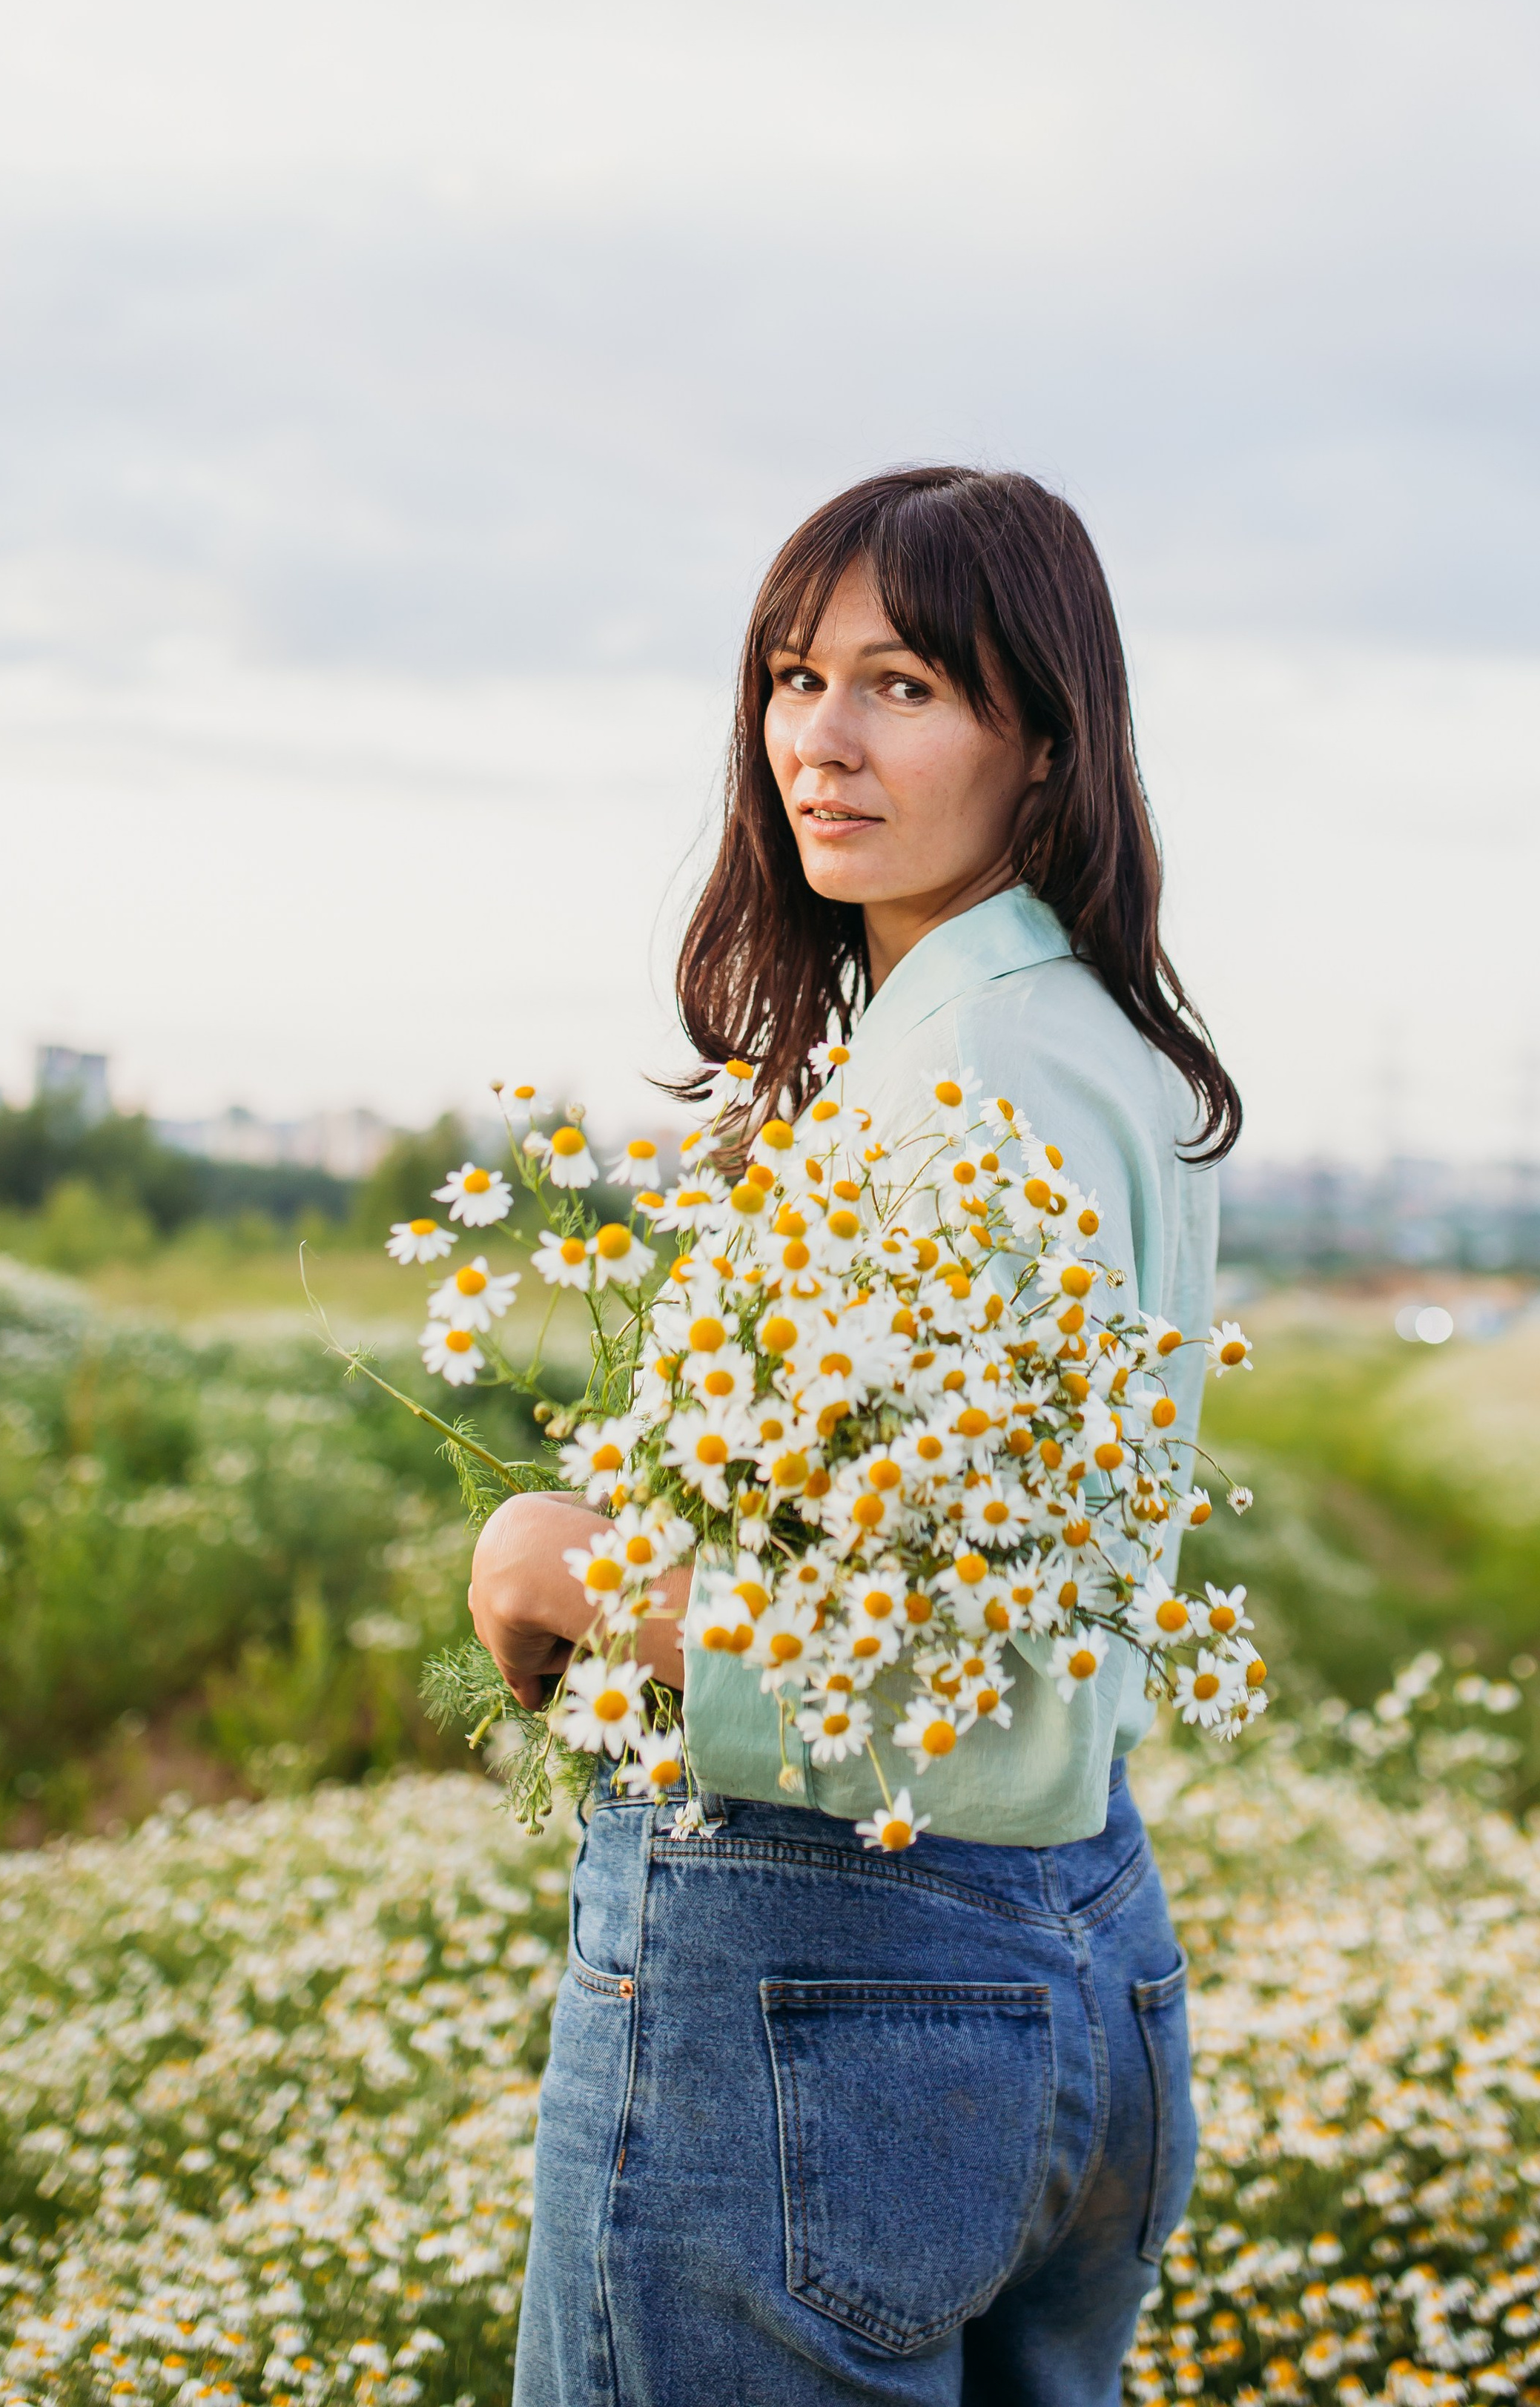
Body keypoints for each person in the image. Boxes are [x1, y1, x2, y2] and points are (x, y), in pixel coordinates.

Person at [470, 464, 1240, 2407]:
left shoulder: (974, 1070)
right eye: (793, 677)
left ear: (1043, 738)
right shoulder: (1076, 1050)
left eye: (903, 685)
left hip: (833, 1955)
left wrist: (561, 1569)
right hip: (1065, 1942)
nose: (821, 738)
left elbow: (954, 1644)